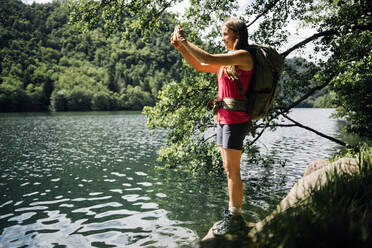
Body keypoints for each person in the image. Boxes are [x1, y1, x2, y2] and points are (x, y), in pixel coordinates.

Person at [171, 18, 254, 236]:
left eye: (225, 34)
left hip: (235, 121)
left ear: (236, 34)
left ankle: (235, 218)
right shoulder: (228, 61)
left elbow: (207, 57)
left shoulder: (243, 56)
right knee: (229, 170)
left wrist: (185, 40)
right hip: (224, 119)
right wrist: (181, 48)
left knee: (232, 171)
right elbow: (201, 65)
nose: (222, 38)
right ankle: (233, 214)